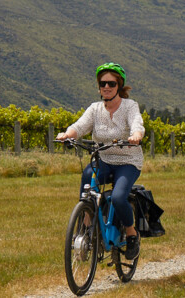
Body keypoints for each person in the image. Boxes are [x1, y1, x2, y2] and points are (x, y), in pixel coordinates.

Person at [57, 62, 145, 260]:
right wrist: (67, 134)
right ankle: (85, 227)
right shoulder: (95, 109)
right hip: (103, 158)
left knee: (119, 197)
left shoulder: (129, 106)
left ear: (119, 86)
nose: (106, 87)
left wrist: (136, 135)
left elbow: (137, 123)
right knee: (88, 175)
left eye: (111, 84)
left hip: (127, 161)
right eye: (102, 83)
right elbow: (80, 126)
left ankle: (131, 234)